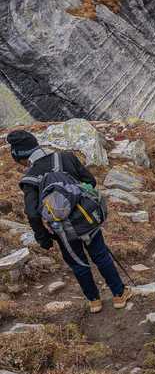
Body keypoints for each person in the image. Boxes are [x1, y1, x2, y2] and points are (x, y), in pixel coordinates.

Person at [7, 130, 132, 314]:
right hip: (87, 220)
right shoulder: (65, 157)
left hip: (62, 231)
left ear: (20, 156)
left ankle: (94, 302)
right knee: (101, 256)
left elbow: (32, 213)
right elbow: (90, 180)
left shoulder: (30, 178)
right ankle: (119, 295)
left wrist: (43, 237)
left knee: (78, 264)